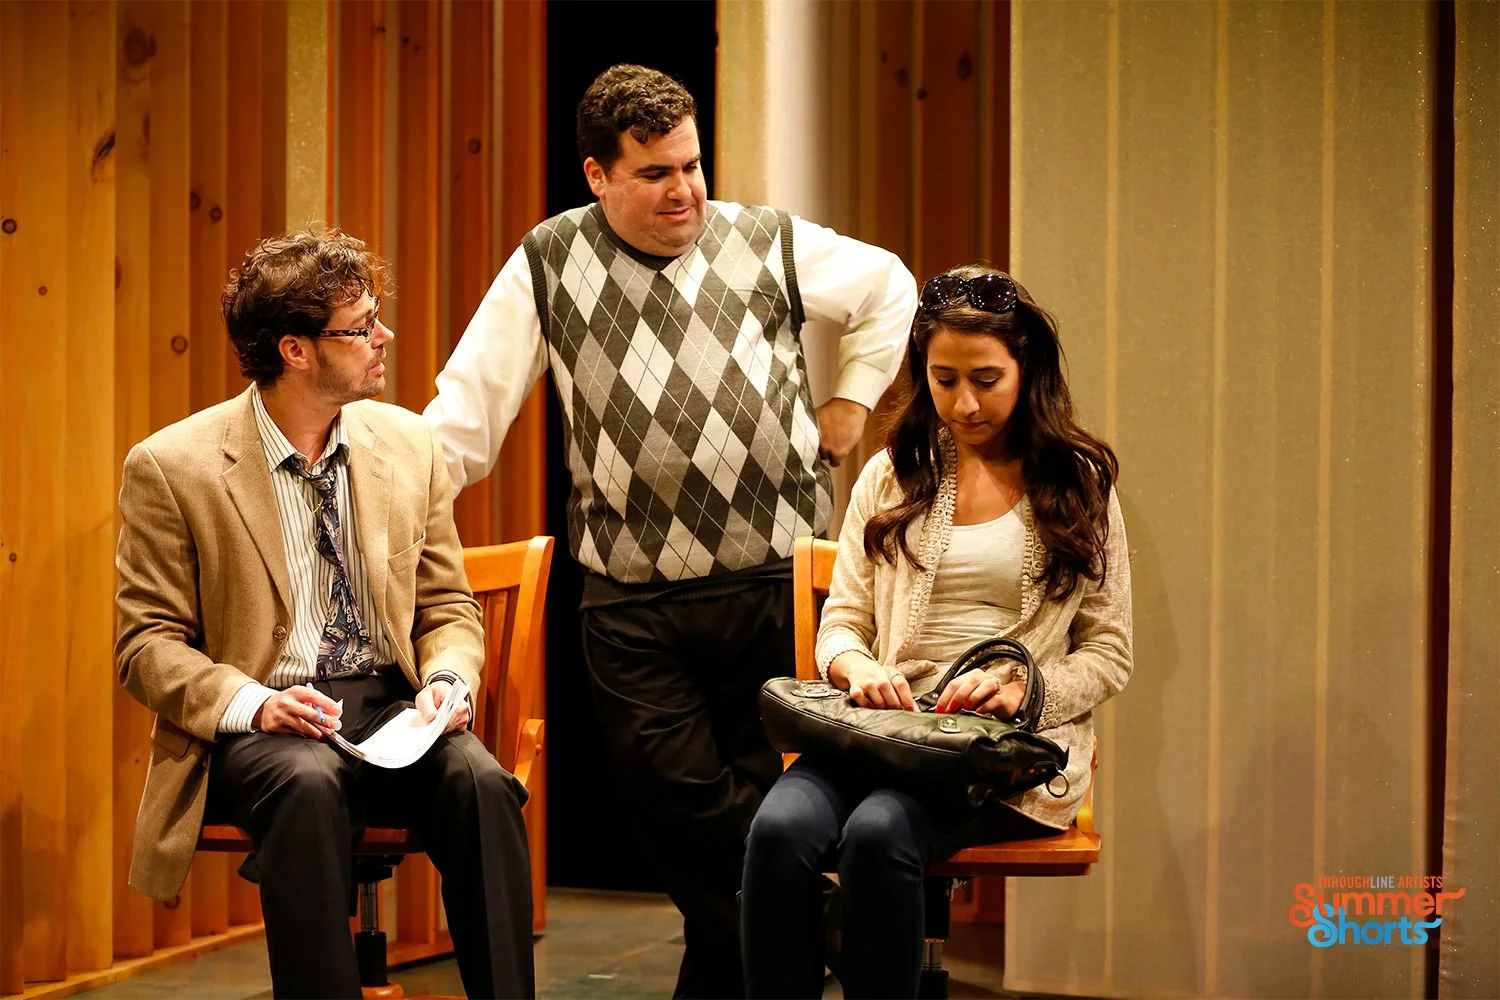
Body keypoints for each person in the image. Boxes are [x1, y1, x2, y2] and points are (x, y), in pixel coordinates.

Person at [423, 64, 917, 997]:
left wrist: (850, 400)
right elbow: (463, 419)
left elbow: (890, 286)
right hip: (631, 597)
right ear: (597, 175)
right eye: (655, 173)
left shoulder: (762, 240)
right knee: (680, 807)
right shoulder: (548, 262)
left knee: (767, 809)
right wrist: (376, 492)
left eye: (692, 165)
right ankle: (831, 926)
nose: (684, 190)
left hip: (775, 579)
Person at [115, 230, 535, 999]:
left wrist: (447, 680)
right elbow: (145, 645)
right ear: (296, 351)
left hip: (390, 704)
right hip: (266, 719)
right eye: (361, 326)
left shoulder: (407, 443)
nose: (385, 338)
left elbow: (446, 603)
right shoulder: (173, 467)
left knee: (481, 785)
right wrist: (258, 704)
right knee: (308, 787)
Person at [740, 266, 1133, 998]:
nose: (964, 403)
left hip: (998, 754)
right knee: (780, 831)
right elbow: (843, 626)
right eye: (943, 379)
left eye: (986, 379)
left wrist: (1025, 690)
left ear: (1027, 370)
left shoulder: (1077, 480)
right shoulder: (891, 475)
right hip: (883, 730)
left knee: (879, 833)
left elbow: (1110, 654)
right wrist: (856, 669)